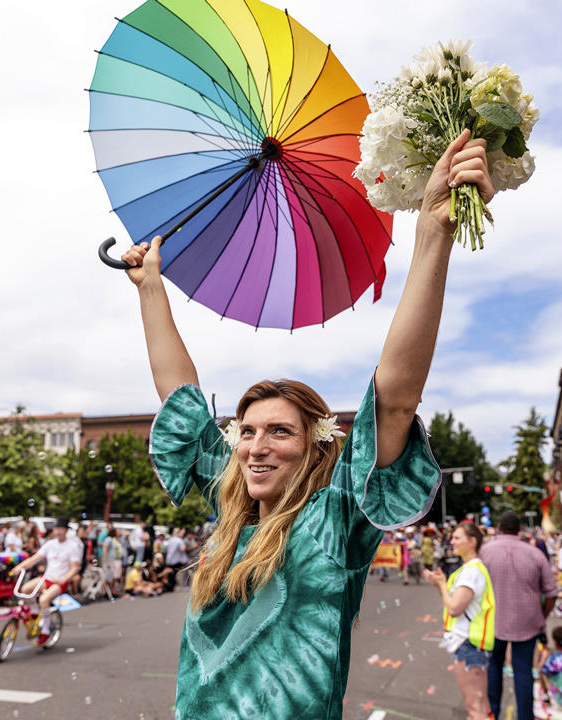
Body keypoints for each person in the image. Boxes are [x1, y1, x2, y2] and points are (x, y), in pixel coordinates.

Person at [125, 130, 493, 719]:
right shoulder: (228, 511)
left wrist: (433, 232)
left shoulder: (335, 520)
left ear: (312, 446)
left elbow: (394, 400)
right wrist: (150, 289)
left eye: (279, 432)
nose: (255, 447)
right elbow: (180, 397)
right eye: (246, 431)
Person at [481, 511, 557, 720]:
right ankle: (525, 716)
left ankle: (492, 713)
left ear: (499, 527)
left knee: (494, 667)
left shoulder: (485, 552)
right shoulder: (535, 554)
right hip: (527, 621)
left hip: (493, 622)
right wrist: (542, 616)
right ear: (519, 530)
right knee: (523, 672)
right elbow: (551, 592)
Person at [424, 522, 495, 720]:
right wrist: (441, 585)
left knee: (475, 708)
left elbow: (454, 608)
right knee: (481, 706)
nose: (451, 541)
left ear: (472, 541)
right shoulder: (472, 569)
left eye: (457, 538)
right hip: (473, 645)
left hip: (469, 645)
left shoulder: (471, 571)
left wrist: (441, 585)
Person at [8, 518, 80, 646]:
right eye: (56, 529)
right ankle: (36, 612)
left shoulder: (72, 546)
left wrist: (64, 579)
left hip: (60, 582)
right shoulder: (50, 544)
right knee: (25, 589)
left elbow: (75, 568)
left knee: (43, 600)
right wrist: (19, 567)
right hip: (48, 578)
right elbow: (35, 559)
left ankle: (45, 632)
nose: (57, 532)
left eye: (60, 529)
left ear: (66, 530)